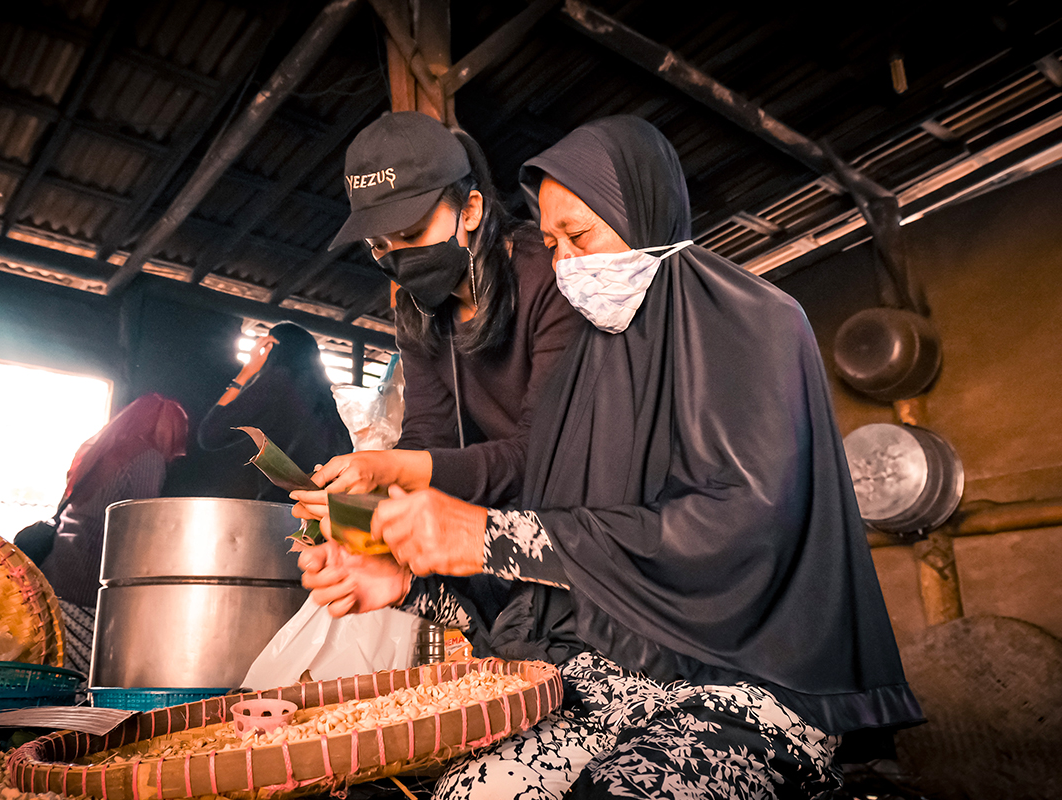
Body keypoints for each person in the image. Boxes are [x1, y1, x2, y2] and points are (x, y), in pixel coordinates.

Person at [298, 116, 924, 799]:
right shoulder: (583, 377)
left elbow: (741, 536)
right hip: (610, 678)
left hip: (746, 680)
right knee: (467, 792)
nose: (566, 265)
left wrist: (484, 534)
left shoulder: (758, 325)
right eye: (552, 243)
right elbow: (552, 572)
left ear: (644, 213)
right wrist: (407, 583)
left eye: (582, 237)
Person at [290, 111, 584, 521]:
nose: (399, 258)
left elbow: (540, 452)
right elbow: (428, 434)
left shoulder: (549, 277)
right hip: (511, 508)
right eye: (378, 246)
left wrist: (393, 470)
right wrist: (366, 494)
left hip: (582, 513)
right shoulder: (416, 312)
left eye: (411, 234)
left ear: (470, 211)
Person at [39, 392, 188, 676]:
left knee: (55, 679)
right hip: (87, 589)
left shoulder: (102, 450)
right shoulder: (147, 456)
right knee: (84, 685)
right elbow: (141, 526)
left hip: (58, 576)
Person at [193, 322, 351, 503]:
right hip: (327, 508)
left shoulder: (278, 381)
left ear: (273, 350)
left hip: (284, 509)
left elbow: (210, 434)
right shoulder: (330, 395)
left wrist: (247, 371)